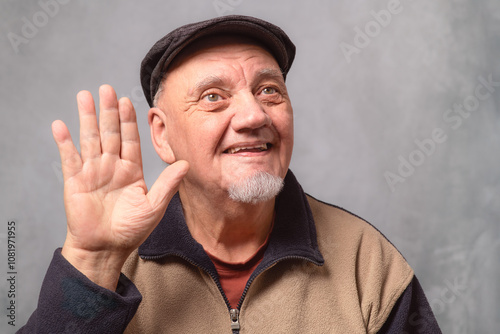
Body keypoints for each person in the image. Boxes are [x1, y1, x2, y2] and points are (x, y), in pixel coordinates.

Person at [20, 15, 441, 333]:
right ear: (162, 135)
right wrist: (94, 264)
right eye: (214, 97)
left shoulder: (367, 263)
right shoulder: (113, 260)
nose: (254, 115)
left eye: (269, 91)